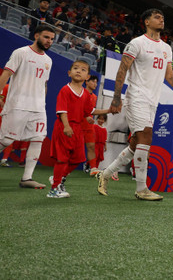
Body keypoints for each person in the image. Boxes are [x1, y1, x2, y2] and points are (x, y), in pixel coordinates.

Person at [97, 9, 173, 201]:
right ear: (147, 22)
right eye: (157, 17)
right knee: (146, 137)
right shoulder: (137, 43)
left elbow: (169, 76)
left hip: (153, 100)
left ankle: (105, 174)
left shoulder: (166, 48)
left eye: (162, 17)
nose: (161, 19)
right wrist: (117, 98)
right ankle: (142, 188)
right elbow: (122, 69)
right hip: (136, 97)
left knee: (136, 143)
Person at [0, 24, 56, 188]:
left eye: (52, 39)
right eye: (46, 37)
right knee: (6, 140)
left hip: (38, 108)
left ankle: (27, 178)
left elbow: (44, 84)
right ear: (36, 35)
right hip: (18, 105)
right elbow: (6, 74)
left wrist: (42, 103)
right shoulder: (21, 52)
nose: (49, 41)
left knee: (38, 138)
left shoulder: (48, 60)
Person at [47, 60, 109, 198]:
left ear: (87, 77)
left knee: (77, 159)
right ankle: (53, 190)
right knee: (62, 159)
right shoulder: (65, 89)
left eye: (83, 69)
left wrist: (109, 110)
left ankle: (58, 178)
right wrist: (67, 126)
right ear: (69, 73)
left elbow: (90, 110)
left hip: (77, 129)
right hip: (65, 127)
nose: (78, 71)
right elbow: (62, 110)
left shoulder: (86, 94)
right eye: (75, 68)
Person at [83, 75, 100, 176]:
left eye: (96, 82)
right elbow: (78, 110)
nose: (95, 84)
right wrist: (85, 117)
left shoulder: (94, 97)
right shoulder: (80, 93)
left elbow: (92, 111)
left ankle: (93, 168)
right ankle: (64, 167)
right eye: (93, 81)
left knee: (91, 146)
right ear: (87, 82)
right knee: (73, 148)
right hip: (79, 125)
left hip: (89, 126)